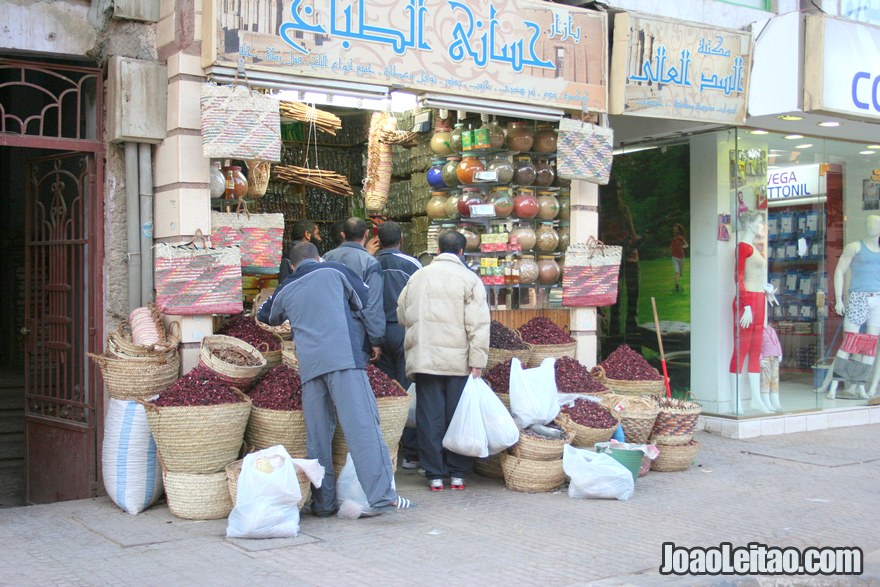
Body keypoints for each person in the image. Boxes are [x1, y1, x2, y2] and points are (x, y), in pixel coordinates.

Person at [258, 242, 413, 517]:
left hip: (310, 368)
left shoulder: (287, 286)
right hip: (344, 359)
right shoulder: (335, 270)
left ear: (292, 265)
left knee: (318, 437)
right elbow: (364, 299)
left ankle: (324, 503)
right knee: (362, 425)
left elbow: (265, 315)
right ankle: (381, 497)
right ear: (318, 257)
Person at [397, 231, 490, 491]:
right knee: (457, 416)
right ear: (462, 252)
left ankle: (434, 474)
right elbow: (479, 325)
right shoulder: (469, 279)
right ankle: (458, 473)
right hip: (458, 361)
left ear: (438, 250)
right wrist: (478, 361)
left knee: (430, 417)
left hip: (424, 360)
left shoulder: (417, 277)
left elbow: (402, 314)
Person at [373, 221, 422, 469]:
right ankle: (411, 454)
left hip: (378, 334)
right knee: (408, 391)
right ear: (401, 239)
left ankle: (387, 447)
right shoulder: (413, 265)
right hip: (405, 331)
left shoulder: (371, 263)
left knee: (384, 394)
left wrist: (372, 338)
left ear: (378, 240)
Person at [821, 215, 880, 399]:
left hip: (877, 300)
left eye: (876, 223)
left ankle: (860, 384)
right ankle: (834, 386)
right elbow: (839, 271)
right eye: (868, 222)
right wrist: (839, 299)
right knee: (849, 344)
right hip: (858, 298)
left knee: (870, 346)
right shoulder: (854, 247)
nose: (871, 226)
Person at [728, 211, 777, 414]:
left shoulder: (754, 249)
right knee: (741, 349)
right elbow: (738, 277)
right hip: (747, 301)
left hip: (759, 299)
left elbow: (756, 276)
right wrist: (746, 304)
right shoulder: (742, 248)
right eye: (758, 223)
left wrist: (767, 291)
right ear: (748, 223)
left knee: (756, 350)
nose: (761, 226)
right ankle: (735, 400)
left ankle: (756, 398)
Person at [323, 218, 385, 363]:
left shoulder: (327, 258)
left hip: (329, 328)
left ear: (343, 235)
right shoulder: (370, 262)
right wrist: (376, 340)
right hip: (356, 331)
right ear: (367, 234)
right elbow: (372, 306)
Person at [670, 223, 688, 292]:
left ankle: (680, 274)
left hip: (681, 258)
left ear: (678, 230)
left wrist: (683, 246)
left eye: (676, 230)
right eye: (674, 230)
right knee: (677, 272)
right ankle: (676, 286)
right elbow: (672, 246)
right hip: (674, 257)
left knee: (681, 273)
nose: (675, 231)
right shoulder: (672, 238)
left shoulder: (681, 237)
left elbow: (687, 245)